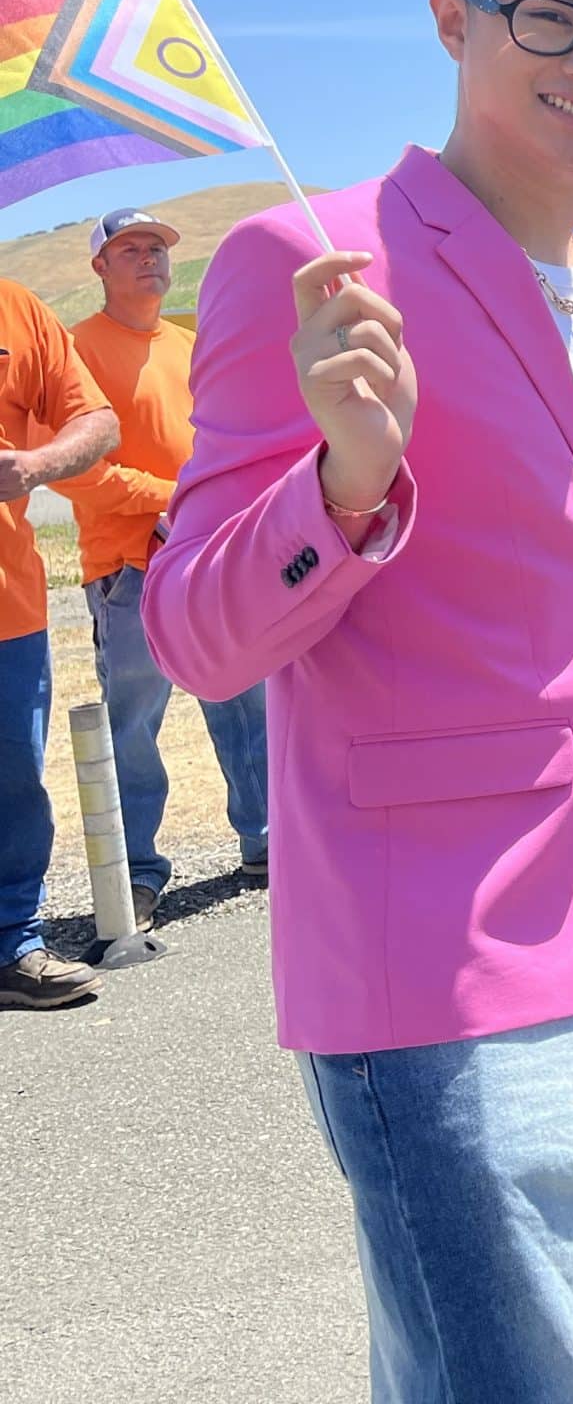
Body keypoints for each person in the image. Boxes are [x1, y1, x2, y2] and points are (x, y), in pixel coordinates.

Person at [143, 0, 573, 1402]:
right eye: (552, 13)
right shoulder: (316, 263)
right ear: (452, 19)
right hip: (443, 953)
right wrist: (340, 483)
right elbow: (199, 637)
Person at [64, 208, 270, 922]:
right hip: (129, 565)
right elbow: (78, 471)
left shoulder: (190, 346)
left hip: (211, 554)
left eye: (157, 247)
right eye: (130, 248)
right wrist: (174, 497)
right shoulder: (76, 350)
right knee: (132, 724)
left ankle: (266, 841)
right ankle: (138, 876)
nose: (148, 257)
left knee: (247, 701)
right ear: (100, 267)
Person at [0, 280, 119, 1009]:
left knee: (12, 781)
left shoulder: (15, 306)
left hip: (7, 609)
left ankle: (13, 942)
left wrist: (34, 466)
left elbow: (97, 421)